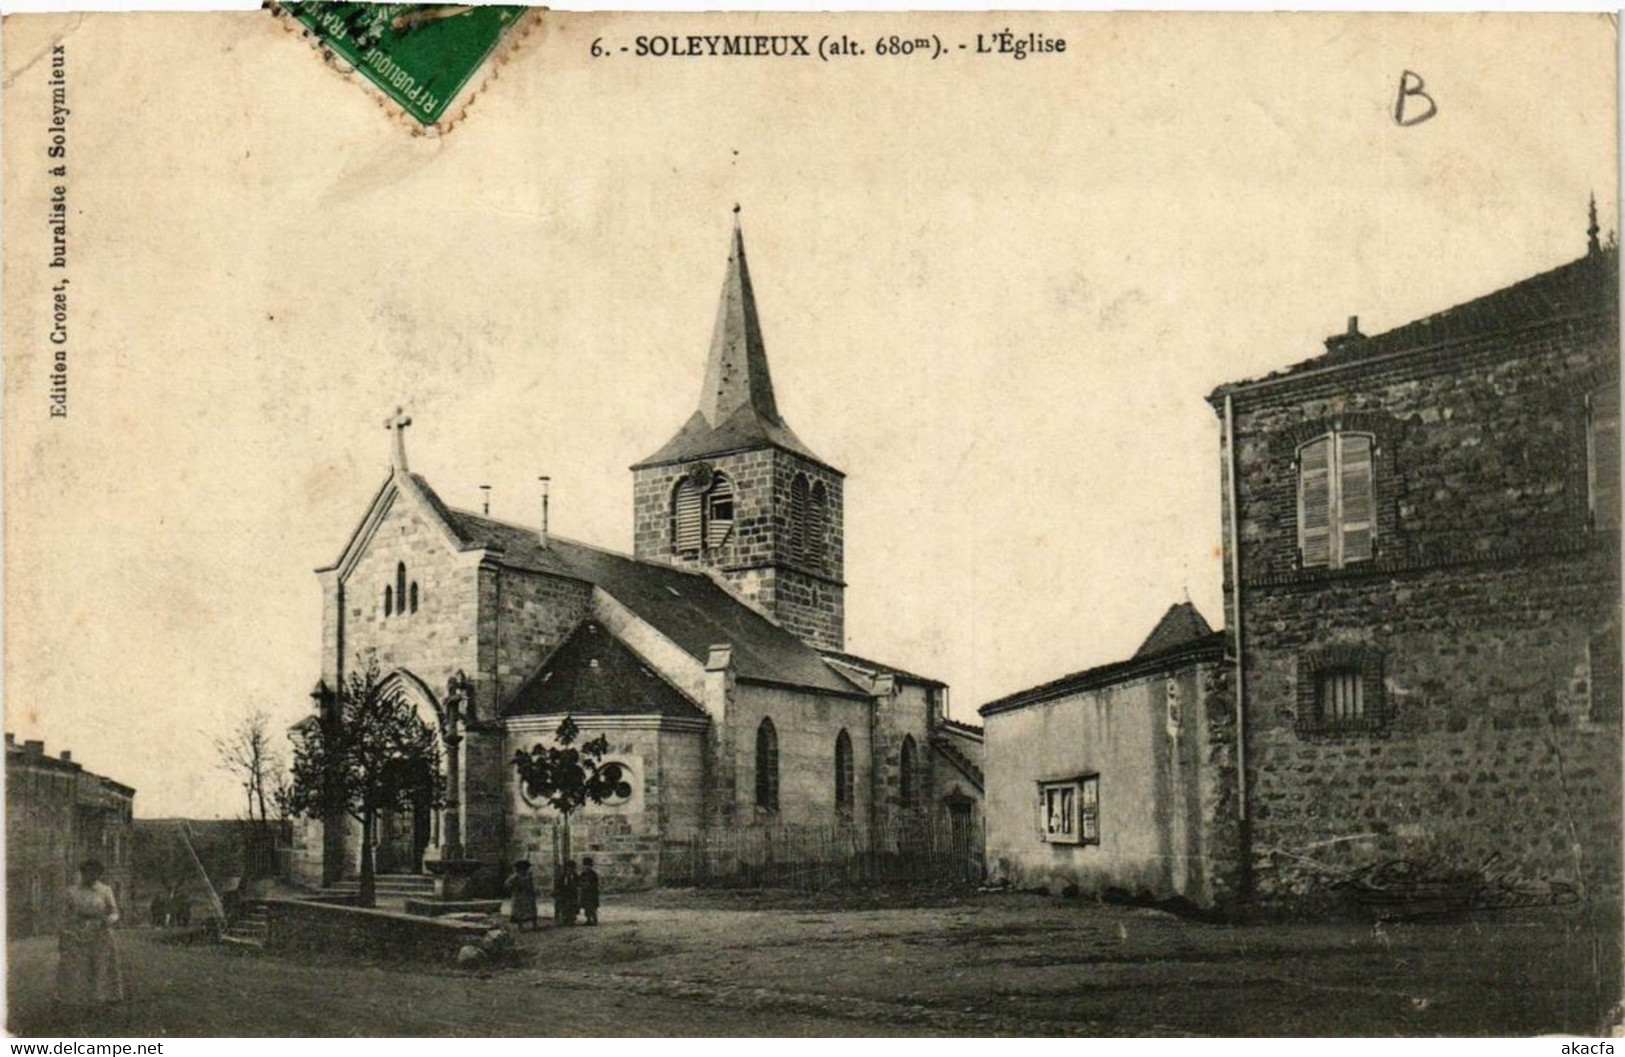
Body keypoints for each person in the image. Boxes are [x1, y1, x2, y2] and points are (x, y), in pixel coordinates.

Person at [58, 860, 125, 1008]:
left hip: (101, 931)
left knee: (101, 963)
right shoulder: (72, 891)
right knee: (79, 966)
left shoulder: (105, 890)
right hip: (78, 932)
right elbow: (65, 915)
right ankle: (79, 998)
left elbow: (114, 912)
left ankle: (104, 996)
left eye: (95, 873)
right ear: (82, 873)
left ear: (99, 874)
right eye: (87, 873)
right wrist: (66, 932)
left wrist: (108, 921)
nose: (91, 876)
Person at [505, 859, 538, 931]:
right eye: (522, 869)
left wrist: (532, 890)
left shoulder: (528, 876)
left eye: (526, 868)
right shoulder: (515, 876)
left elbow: (530, 885)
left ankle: (534, 925)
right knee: (519, 911)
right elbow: (507, 884)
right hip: (518, 896)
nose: (524, 870)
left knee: (531, 910)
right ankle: (520, 926)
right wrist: (515, 887)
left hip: (528, 895)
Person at [552, 858, 579, 925]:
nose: (570, 870)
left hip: (572, 894)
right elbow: (559, 884)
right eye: (569, 868)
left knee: (572, 907)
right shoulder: (563, 876)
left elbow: (578, 884)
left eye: (572, 868)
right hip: (564, 894)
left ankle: (571, 919)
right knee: (565, 907)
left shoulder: (575, 875)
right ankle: (565, 919)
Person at [578, 857, 601, 926]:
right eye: (585, 865)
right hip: (585, 893)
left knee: (592, 907)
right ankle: (588, 919)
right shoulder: (583, 874)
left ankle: (594, 920)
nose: (586, 867)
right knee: (586, 907)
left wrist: (588, 885)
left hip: (591, 893)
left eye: (588, 865)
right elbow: (579, 882)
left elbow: (595, 884)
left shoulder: (593, 874)